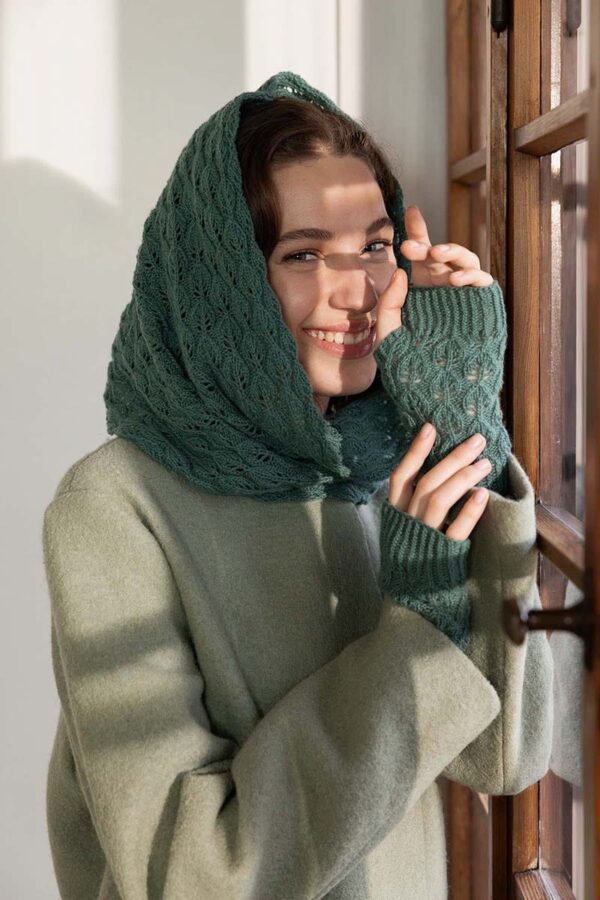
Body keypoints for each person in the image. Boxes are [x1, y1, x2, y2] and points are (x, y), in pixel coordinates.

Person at [42, 70, 553, 899]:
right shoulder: (113, 506)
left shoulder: (378, 468)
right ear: (226, 284)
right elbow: (192, 875)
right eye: (304, 253)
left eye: (376, 247)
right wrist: (417, 623)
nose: (358, 292)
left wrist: (469, 431)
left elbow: (505, 756)